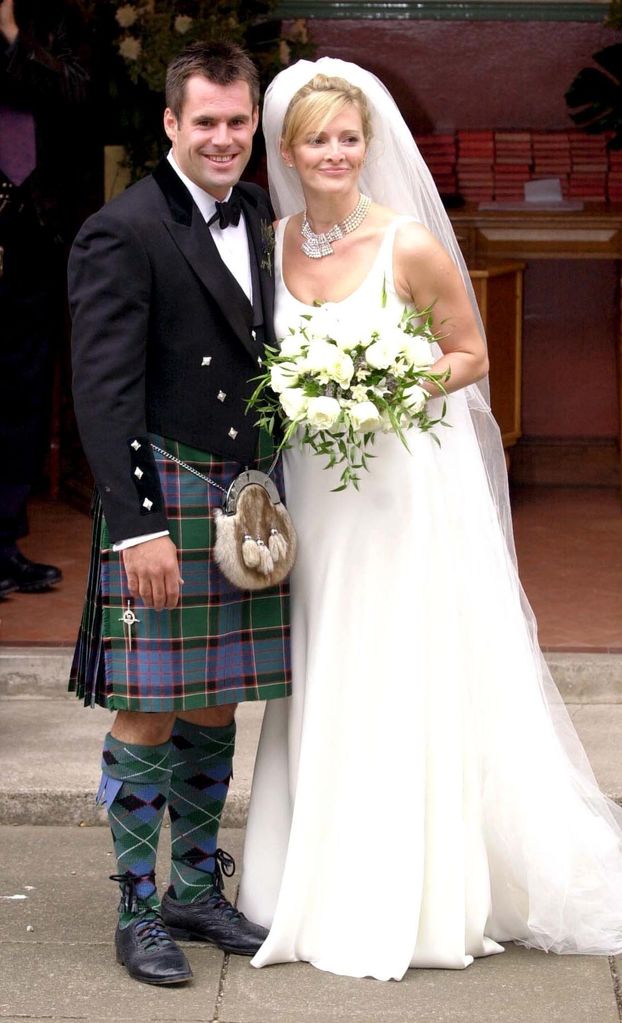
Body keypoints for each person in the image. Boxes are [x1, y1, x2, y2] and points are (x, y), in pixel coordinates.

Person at [237, 58, 622, 981]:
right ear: (286, 151)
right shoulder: (272, 242)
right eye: (318, 139)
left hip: (398, 488)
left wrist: (385, 383)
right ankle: (303, 873)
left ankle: (407, 890)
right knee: (321, 658)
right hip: (316, 495)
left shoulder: (408, 243)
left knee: (394, 661)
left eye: (349, 137)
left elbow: (472, 352)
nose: (336, 153)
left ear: (368, 145)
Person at [68, 41, 291, 987]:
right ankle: (134, 904)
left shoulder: (266, 218)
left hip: (244, 501)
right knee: (148, 709)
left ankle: (194, 884)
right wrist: (138, 524)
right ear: (170, 123)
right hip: (164, 493)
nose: (224, 139)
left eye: (239, 122)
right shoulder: (125, 228)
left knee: (212, 702)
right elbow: (102, 390)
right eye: (205, 121)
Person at [0, 0, 88, 596]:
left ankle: (3, 545)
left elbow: (76, 95)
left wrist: (12, 36)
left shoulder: (52, 16)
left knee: (18, 396)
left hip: (30, 237)